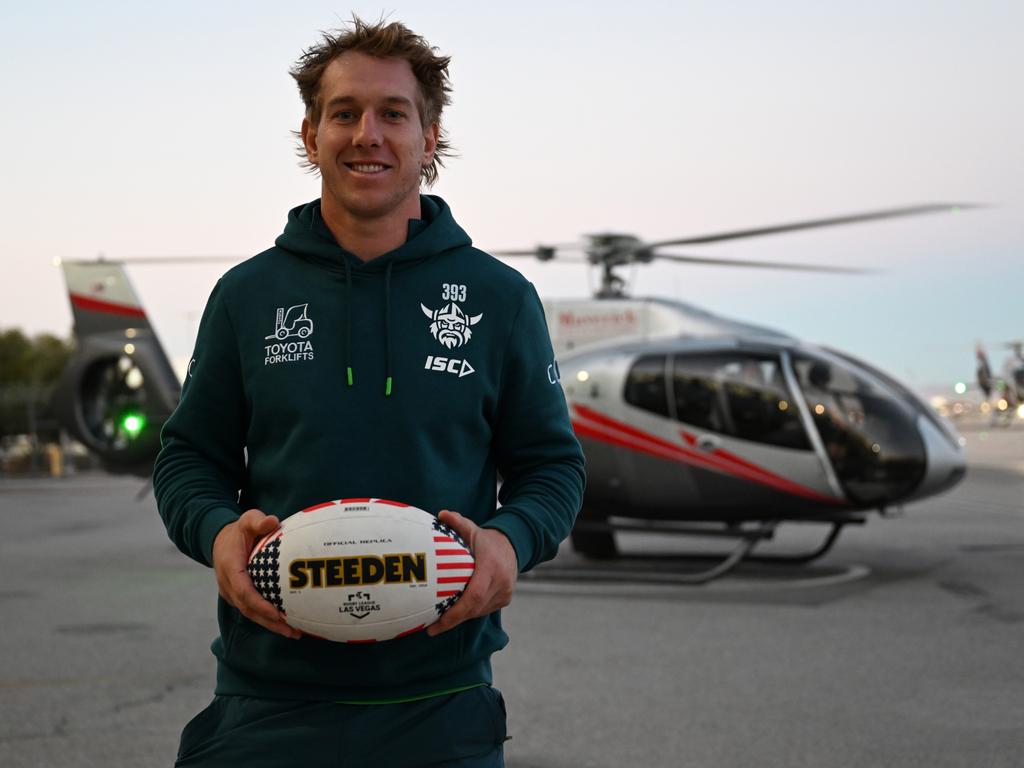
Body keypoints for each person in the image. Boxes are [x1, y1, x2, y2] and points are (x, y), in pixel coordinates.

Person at [153, 17, 585, 768]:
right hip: (269, 700)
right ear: (311, 133)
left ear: (430, 135)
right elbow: (188, 458)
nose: (368, 134)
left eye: (393, 113)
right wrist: (219, 533)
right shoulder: (247, 295)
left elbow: (553, 466)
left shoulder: (500, 298)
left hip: (441, 705)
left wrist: (510, 544)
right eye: (344, 113)